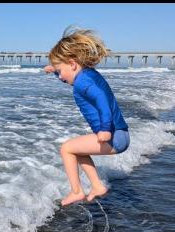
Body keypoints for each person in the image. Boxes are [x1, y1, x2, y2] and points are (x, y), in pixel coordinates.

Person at [44, 26, 130, 206]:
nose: (60, 77)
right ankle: (97, 186)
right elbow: (69, 76)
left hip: (115, 136)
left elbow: (102, 100)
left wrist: (106, 129)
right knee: (78, 150)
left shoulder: (83, 82)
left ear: (73, 63)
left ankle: (76, 191)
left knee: (67, 148)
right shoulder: (85, 75)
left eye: (60, 72)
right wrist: (55, 70)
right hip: (120, 134)